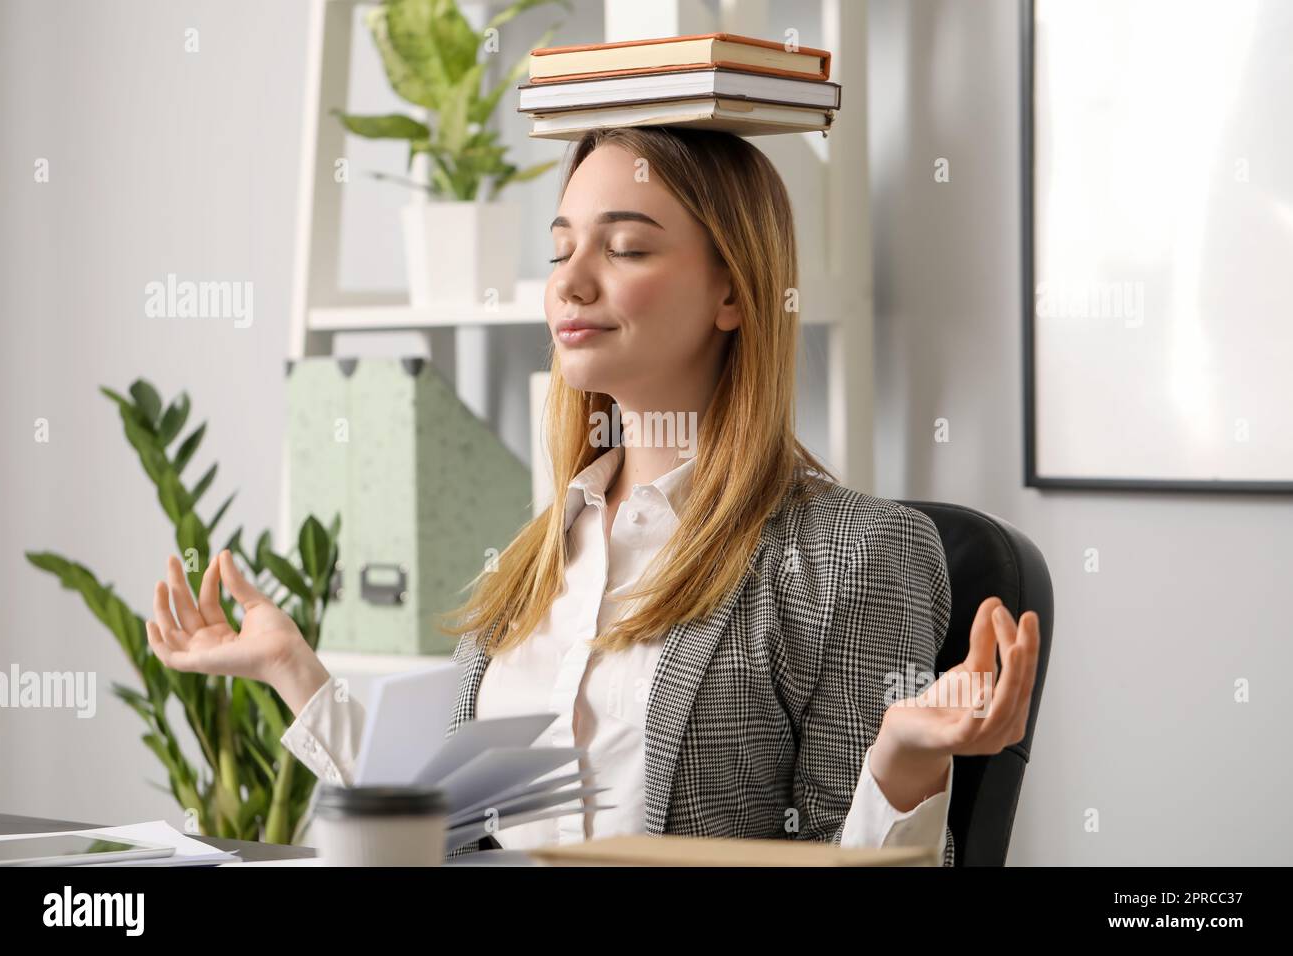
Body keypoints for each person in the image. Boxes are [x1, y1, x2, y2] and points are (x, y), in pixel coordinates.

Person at [146, 126, 1041, 866]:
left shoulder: (855, 554)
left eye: (624, 248)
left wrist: (903, 760)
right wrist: (291, 671)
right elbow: (454, 829)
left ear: (734, 290)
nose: (571, 281)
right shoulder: (547, 542)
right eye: (559, 248)